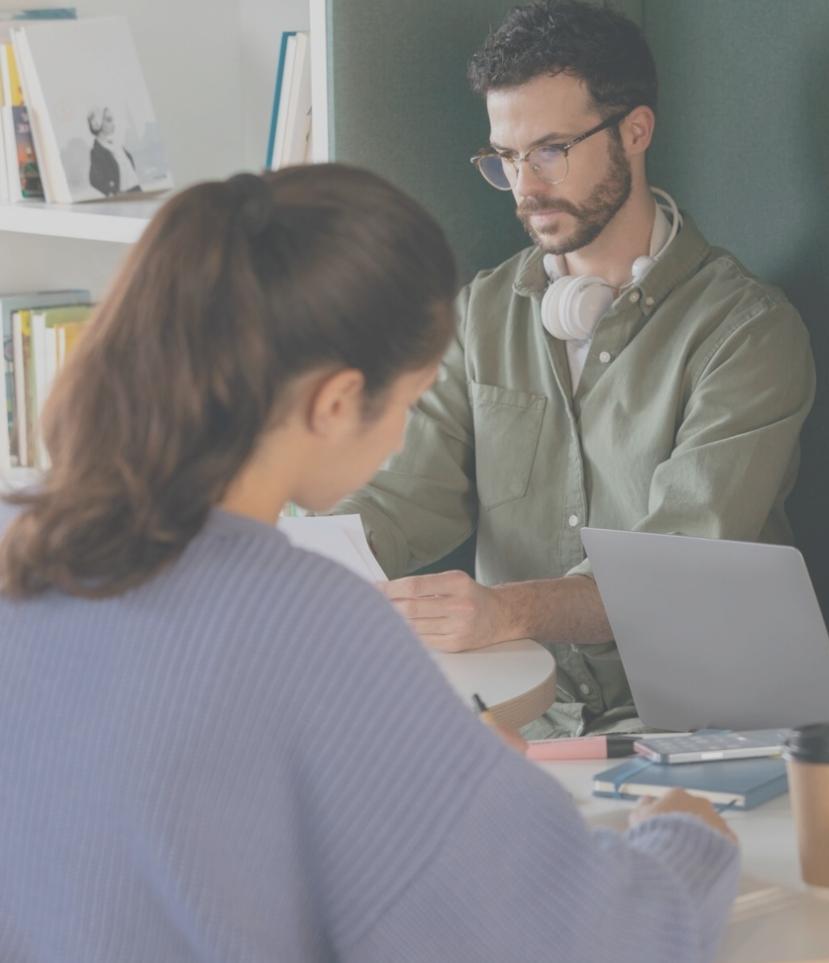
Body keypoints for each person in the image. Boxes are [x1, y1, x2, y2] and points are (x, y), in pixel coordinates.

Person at [0, 165, 739, 962]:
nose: (400, 436)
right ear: (335, 402)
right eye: (408, 403)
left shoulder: (25, 546)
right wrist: (687, 843)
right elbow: (571, 937)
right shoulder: (311, 625)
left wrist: (438, 767)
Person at [332, 0, 815, 737]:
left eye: (551, 149)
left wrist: (506, 610)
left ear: (636, 130)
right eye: (507, 157)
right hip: (531, 714)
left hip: (702, 725)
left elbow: (674, 564)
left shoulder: (746, 331)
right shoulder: (480, 314)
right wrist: (296, 558)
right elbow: (403, 495)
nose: (525, 187)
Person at [86, 106, 141, 197]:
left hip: (137, 191)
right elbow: (94, 180)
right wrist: (111, 191)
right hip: (124, 197)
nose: (113, 123)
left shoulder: (116, 144)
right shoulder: (97, 152)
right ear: (98, 124)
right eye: (108, 119)